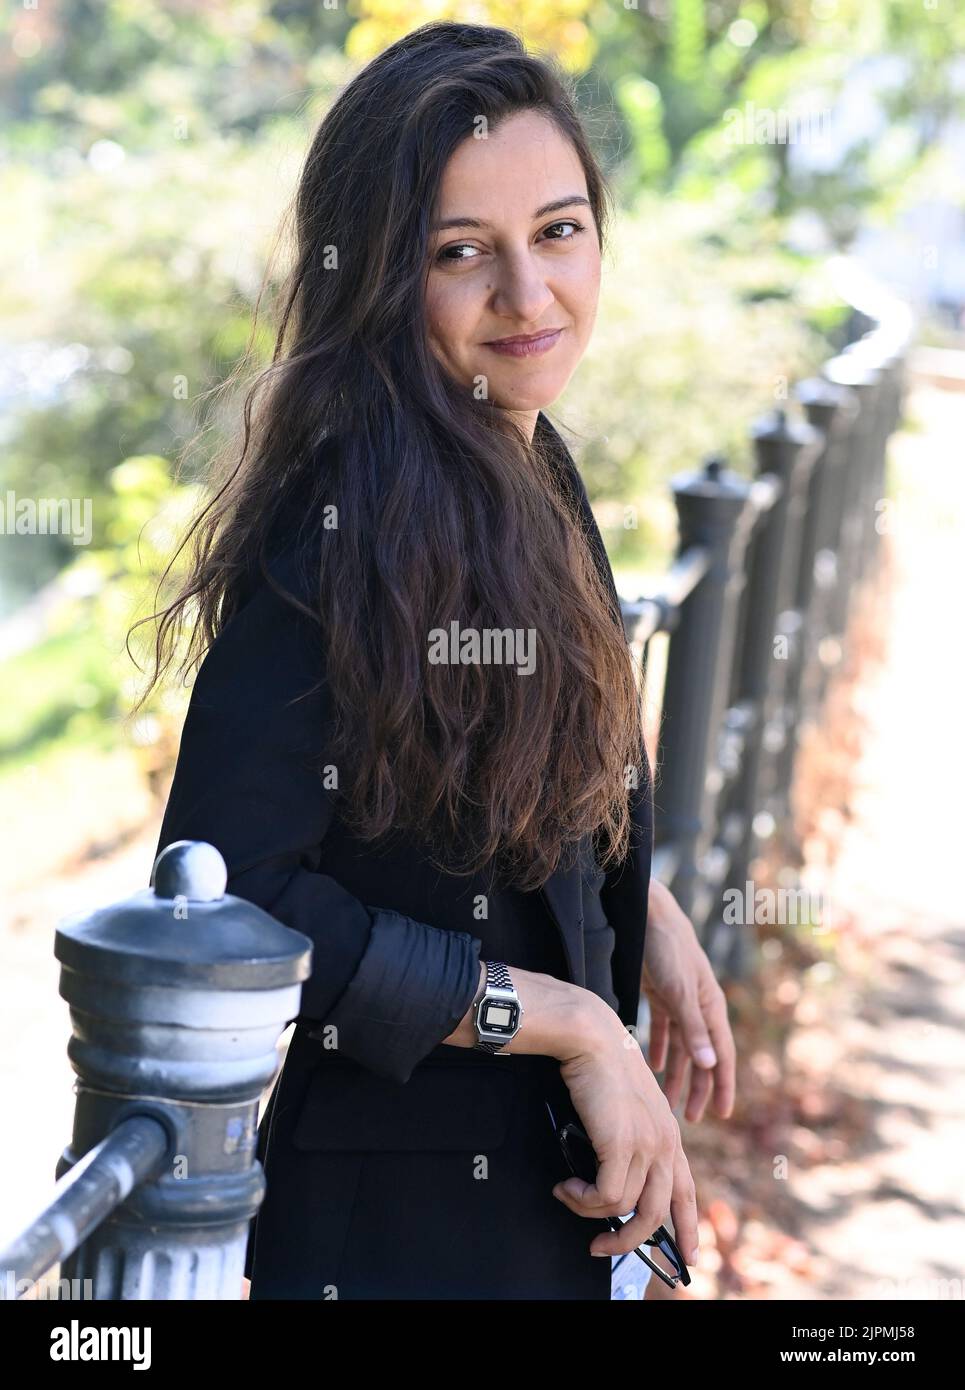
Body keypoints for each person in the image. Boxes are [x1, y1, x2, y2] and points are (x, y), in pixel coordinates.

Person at [139, 21, 735, 1300]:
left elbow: (496, 778)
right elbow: (231, 897)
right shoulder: (338, 523)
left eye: (559, 231)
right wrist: (566, 1017)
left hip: (532, 1199)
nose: (530, 297)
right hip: (404, 1235)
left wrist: (645, 907)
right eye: (462, 254)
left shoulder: (519, 444)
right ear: (378, 281)